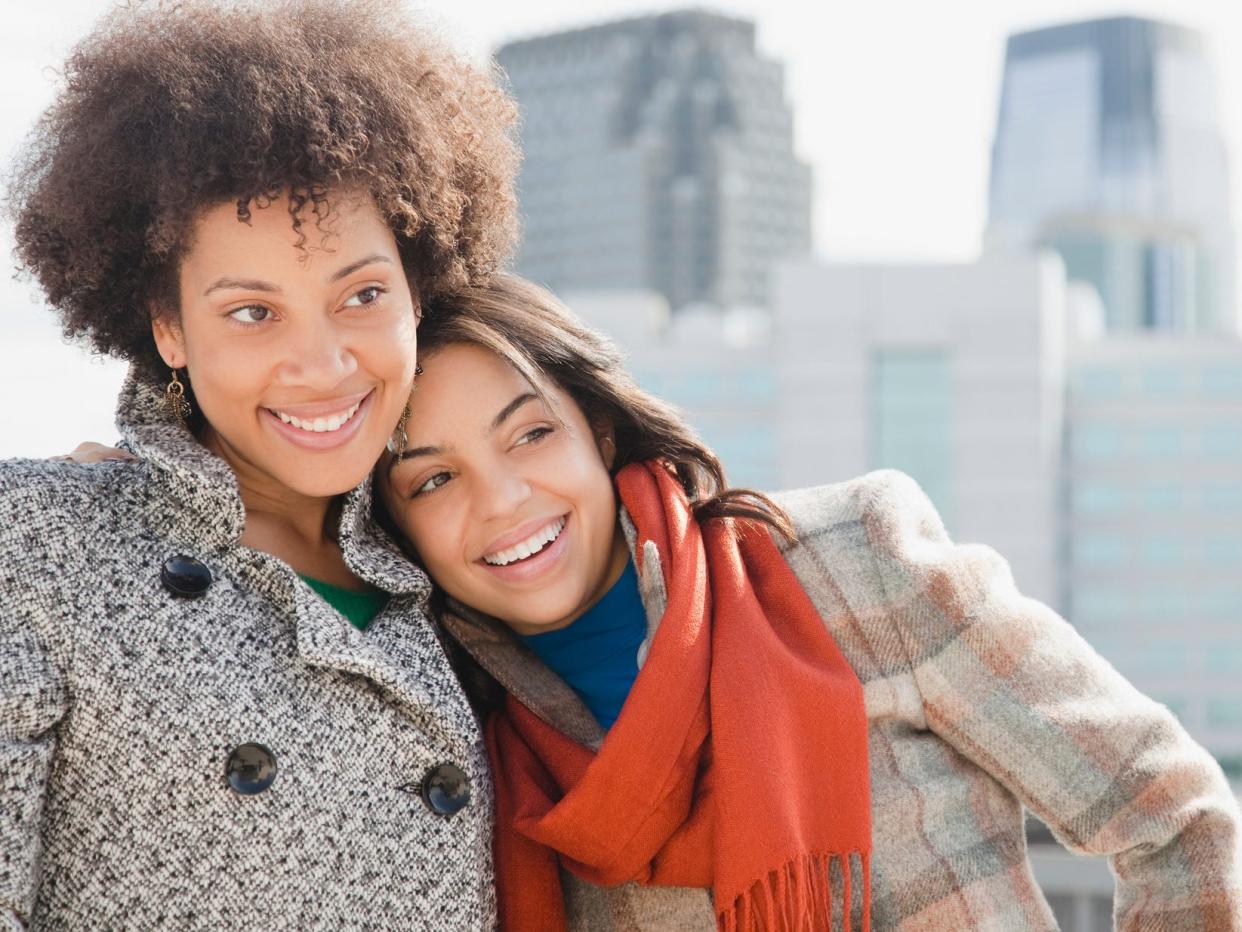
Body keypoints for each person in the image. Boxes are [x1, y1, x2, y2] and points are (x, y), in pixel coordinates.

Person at [375, 275, 1242, 930]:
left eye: (531, 433)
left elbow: (1172, 816)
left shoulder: (854, 564)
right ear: (398, 527)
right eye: (436, 479)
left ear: (598, 429)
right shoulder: (456, 744)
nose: (501, 500)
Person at [0, 0, 518, 927]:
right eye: (252, 311)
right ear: (169, 327)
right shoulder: (37, 543)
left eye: (361, 294)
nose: (322, 365)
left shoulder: (452, 557)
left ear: (416, 291)